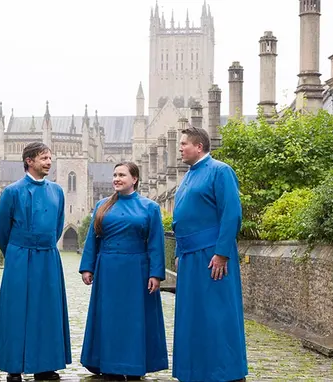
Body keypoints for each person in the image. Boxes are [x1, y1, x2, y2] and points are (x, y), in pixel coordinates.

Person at [79, 161, 168, 381]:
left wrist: (155, 274)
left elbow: (156, 243)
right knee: (109, 318)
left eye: (122, 175)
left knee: (134, 318)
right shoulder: (102, 205)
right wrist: (87, 267)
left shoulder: (150, 207)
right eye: (115, 175)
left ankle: (135, 365)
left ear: (134, 179)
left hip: (137, 270)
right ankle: (109, 365)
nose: (116, 179)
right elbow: (93, 239)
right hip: (107, 269)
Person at [172, 127, 248, 382]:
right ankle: (195, 371)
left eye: (184, 144)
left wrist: (222, 253)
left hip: (211, 256)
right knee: (192, 317)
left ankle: (227, 372)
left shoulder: (220, 171)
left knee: (217, 314)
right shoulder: (188, 176)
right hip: (190, 256)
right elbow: (182, 219)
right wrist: (179, 251)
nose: (180, 148)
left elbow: (232, 213)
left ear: (199, 147)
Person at [0, 142, 71, 382]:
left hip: (47, 257)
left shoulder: (57, 191)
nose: (49, 162)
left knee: (47, 311)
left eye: (50, 158)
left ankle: (45, 365)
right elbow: (0, 227)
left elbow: (57, 226)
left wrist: (43, 246)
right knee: (16, 311)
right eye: (44, 158)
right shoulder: (12, 191)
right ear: (29, 161)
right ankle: (14, 366)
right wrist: (16, 252)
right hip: (19, 256)